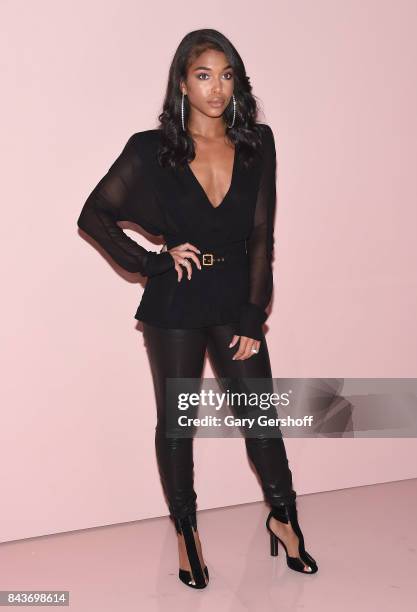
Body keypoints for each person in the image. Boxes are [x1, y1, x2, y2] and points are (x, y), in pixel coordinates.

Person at [77, 28, 318, 589]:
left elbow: (261, 234)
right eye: (203, 75)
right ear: (182, 83)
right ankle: (186, 531)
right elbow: (95, 215)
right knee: (178, 424)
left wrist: (254, 314)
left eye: (226, 75)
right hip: (176, 304)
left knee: (260, 416)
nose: (216, 88)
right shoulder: (151, 149)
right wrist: (154, 263)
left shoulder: (259, 142)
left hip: (235, 298)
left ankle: (284, 518)